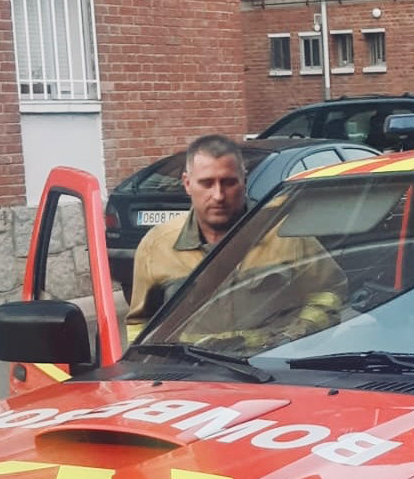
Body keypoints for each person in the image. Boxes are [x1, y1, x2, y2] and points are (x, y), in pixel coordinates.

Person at [124, 133, 346, 340]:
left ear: (244, 180)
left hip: (272, 371)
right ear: (187, 184)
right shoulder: (157, 246)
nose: (219, 195)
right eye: (207, 183)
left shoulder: (286, 233)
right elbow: (139, 326)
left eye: (229, 183)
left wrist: (294, 336)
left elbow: (329, 294)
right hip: (192, 377)